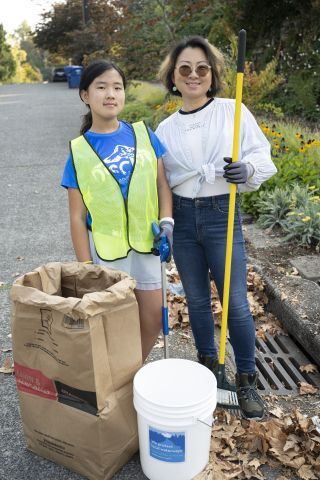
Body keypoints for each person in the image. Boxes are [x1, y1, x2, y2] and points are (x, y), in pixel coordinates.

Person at [155, 36, 277, 420]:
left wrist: (249, 169)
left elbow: (261, 156)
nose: (193, 75)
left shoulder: (232, 111)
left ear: (213, 76)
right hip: (184, 218)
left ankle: (246, 379)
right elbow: (163, 181)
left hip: (222, 212)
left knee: (236, 302)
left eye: (202, 68)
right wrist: (167, 221)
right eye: (185, 69)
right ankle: (210, 370)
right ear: (173, 77)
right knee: (195, 300)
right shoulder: (165, 129)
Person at [61, 60, 173, 361]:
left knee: (151, 320)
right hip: (107, 256)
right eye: (101, 87)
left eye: (117, 87)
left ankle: (129, 375)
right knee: (115, 325)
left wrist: (167, 223)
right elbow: (76, 216)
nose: (111, 94)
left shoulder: (143, 134)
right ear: (85, 95)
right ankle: (120, 383)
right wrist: (86, 268)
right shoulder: (79, 151)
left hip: (147, 246)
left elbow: (163, 184)